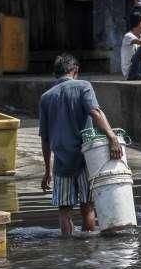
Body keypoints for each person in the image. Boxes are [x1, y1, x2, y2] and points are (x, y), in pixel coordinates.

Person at [39, 53, 123, 236]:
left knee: (64, 212)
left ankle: (68, 249)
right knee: (88, 207)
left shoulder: (46, 97)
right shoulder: (84, 86)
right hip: (86, 159)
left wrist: (47, 170)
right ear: (75, 70)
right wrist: (112, 137)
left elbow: (44, 139)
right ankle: (87, 248)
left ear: (56, 74)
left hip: (61, 164)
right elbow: (95, 112)